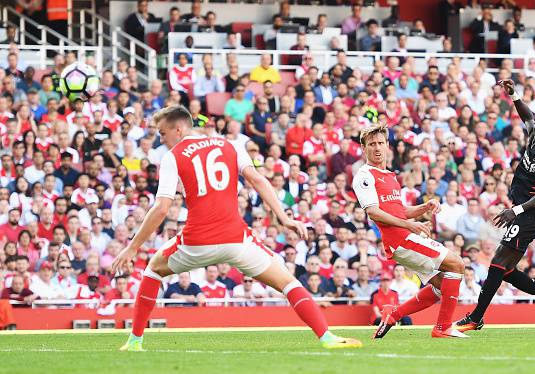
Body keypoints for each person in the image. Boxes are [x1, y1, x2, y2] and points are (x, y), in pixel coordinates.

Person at [113, 106, 361, 351]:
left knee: (153, 271)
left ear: (178, 130)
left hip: (197, 242)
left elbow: (162, 208)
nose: (161, 138)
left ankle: (134, 342)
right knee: (287, 281)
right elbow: (257, 179)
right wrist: (284, 218)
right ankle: (326, 337)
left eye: (162, 133)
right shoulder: (228, 144)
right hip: (237, 240)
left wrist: (133, 247)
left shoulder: (173, 156)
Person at [456, 79, 535, 332]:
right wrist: (515, 95)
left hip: (532, 213)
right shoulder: (534, 134)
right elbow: (528, 116)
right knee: (505, 270)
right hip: (522, 211)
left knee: (497, 262)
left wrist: (515, 211)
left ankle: (476, 317)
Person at [352, 124, 467, 339]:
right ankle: (443, 327)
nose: (377, 148)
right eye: (371, 144)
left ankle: (393, 313)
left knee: (443, 285)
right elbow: (374, 213)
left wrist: (424, 208)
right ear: (364, 148)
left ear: (387, 146)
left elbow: (400, 210)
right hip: (400, 240)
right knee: (457, 264)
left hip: (404, 238)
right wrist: (408, 225)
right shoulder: (364, 176)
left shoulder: (389, 175)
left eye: (380, 143)